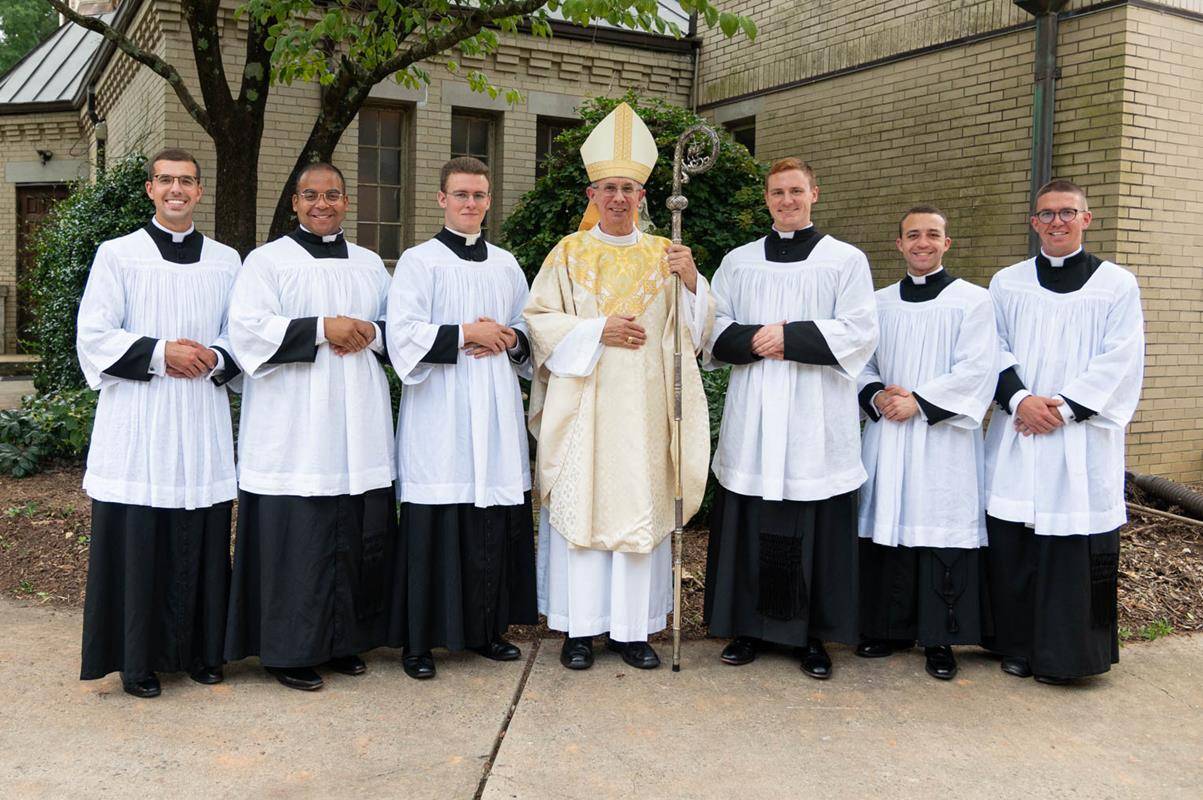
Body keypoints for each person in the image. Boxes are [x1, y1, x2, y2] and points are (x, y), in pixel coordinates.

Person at [524, 102, 713, 671]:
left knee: (638, 508)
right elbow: (538, 321)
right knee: (581, 510)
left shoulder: (667, 255)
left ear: (642, 196)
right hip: (586, 407)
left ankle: (633, 632)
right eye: (608, 188)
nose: (618, 198)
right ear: (591, 195)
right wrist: (596, 330)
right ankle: (579, 631)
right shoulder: (567, 253)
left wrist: (694, 282)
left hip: (645, 409)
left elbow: (696, 333)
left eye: (628, 188)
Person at [224, 162, 397, 691]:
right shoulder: (267, 261)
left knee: (352, 530)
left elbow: (400, 327)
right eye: (311, 196)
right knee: (297, 538)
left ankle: (342, 641)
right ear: (294, 202)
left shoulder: (370, 264)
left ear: (347, 201)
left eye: (333, 195)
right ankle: (289, 650)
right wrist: (325, 328)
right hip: (292, 428)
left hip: (356, 422)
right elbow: (247, 331)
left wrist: (370, 330)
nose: (322, 204)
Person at [703, 157, 877, 680]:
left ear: (814, 194)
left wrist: (791, 336)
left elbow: (860, 330)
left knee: (813, 523)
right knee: (751, 518)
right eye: (777, 192)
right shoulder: (738, 261)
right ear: (767, 199)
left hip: (814, 417)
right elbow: (711, 325)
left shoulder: (845, 260)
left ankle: (811, 637)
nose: (786, 200)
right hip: (754, 412)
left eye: (795, 191)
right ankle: (747, 629)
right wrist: (758, 339)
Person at [77, 147, 241, 698]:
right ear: (150, 189)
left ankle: (202, 651)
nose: (176, 190)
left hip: (198, 415)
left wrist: (215, 357)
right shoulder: (117, 255)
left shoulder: (226, 260)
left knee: (200, 533)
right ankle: (137, 659)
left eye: (187, 182)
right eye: (166, 180)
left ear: (199, 191)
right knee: (139, 538)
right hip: (139, 420)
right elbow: (95, 335)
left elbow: (242, 333)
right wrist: (159, 352)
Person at [984, 179, 1144, 684]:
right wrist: (1019, 400)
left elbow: (1121, 358)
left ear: (1086, 219)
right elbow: (991, 348)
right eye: (1047, 214)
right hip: (1019, 429)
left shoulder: (1117, 284)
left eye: (1067, 213)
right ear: (1034, 223)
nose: (1057, 222)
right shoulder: (1006, 282)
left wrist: (1066, 409)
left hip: (1080, 437)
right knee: (1017, 543)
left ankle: (1073, 656)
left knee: (1071, 546)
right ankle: (1017, 645)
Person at [385, 157, 537, 680]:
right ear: (441, 199)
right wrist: (465, 333)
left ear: (489, 202)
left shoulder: (506, 264)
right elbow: (400, 334)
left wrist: (511, 338)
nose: (470, 204)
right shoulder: (418, 261)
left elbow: (526, 330)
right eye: (461, 195)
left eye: (479, 196)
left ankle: (485, 631)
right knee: (435, 523)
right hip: (440, 411)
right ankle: (419, 642)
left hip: (494, 405)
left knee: (489, 521)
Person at [855, 205, 997, 680]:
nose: (922, 243)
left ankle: (941, 639)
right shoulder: (877, 303)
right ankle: (886, 628)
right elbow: (860, 362)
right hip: (889, 433)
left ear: (946, 244)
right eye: (912, 235)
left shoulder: (973, 301)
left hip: (942, 440)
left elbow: (978, 369)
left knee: (939, 527)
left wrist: (919, 401)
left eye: (932, 235)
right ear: (898, 244)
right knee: (887, 523)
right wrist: (876, 395)